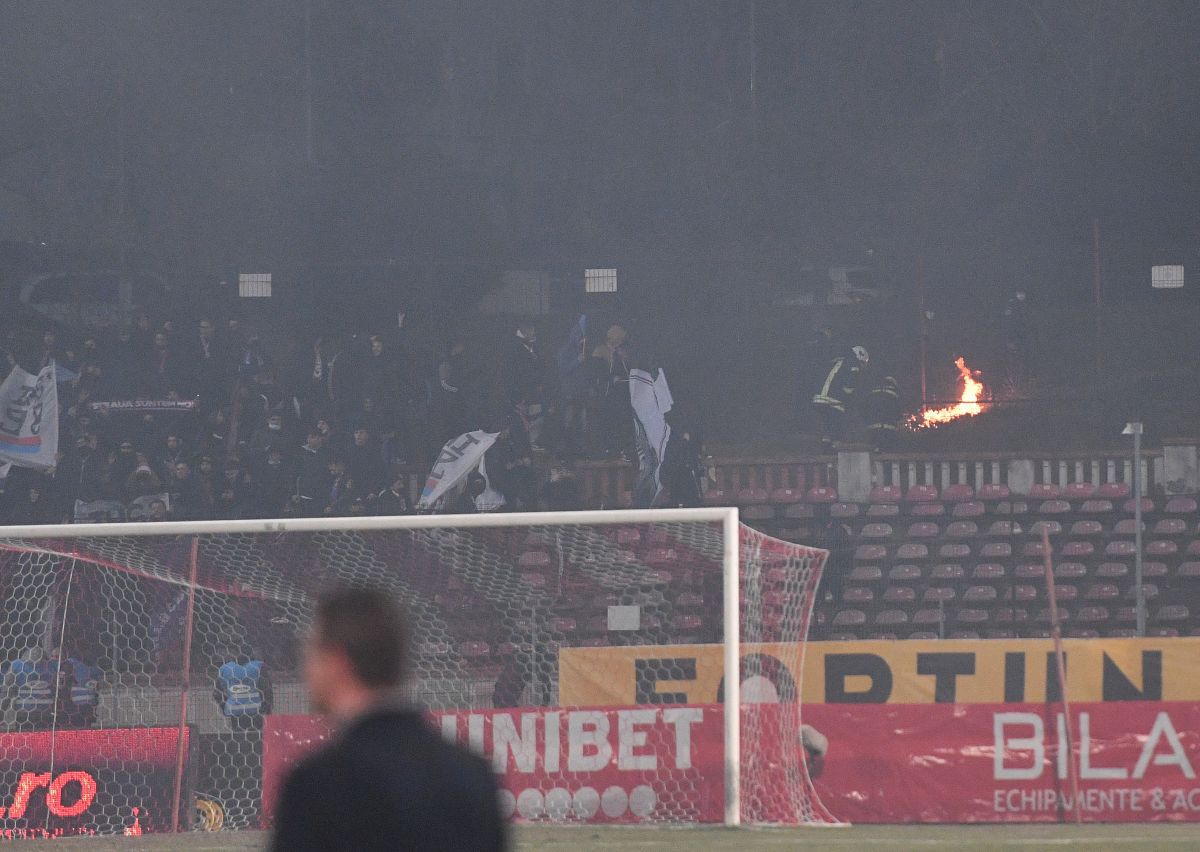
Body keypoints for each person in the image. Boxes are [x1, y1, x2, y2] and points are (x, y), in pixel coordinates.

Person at [269, 589, 507, 852]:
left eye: (310, 652)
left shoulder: (316, 783)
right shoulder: (472, 773)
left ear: (338, 661)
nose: (306, 668)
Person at [811, 345, 869, 450]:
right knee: (837, 425)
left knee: (828, 427)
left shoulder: (837, 360)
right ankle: (835, 450)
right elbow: (851, 382)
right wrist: (848, 397)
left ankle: (826, 449)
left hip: (818, 398)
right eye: (862, 363)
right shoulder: (853, 362)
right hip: (832, 400)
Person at [214, 651, 272, 731]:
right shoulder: (258, 667)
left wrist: (225, 706)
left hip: (235, 711)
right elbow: (267, 691)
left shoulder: (225, 669)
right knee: (257, 739)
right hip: (256, 710)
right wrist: (267, 710)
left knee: (239, 738)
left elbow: (216, 693)